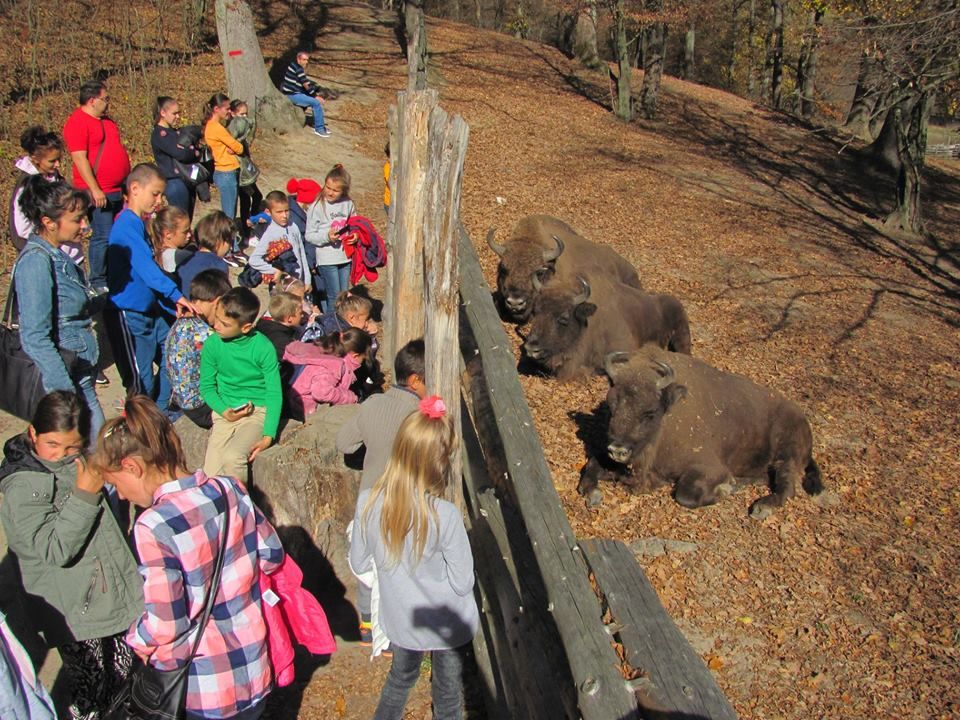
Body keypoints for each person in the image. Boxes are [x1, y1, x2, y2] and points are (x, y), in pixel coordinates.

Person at [92, 395, 284, 720]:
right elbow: (272, 555)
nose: (121, 495)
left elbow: (165, 624)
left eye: (116, 484)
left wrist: (135, 639)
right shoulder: (229, 489)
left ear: (132, 467)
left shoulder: (153, 526)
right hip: (253, 668)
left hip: (205, 687)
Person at [0, 390, 143, 720]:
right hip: (76, 608)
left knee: (122, 676)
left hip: (102, 592)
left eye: (72, 447)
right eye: (52, 444)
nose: (61, 455)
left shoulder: (76, 462)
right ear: (33, 433)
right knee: (91, 691)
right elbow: (54, 548)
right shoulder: (24, 486)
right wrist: (84, 494)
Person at [349, 396, 479, 719]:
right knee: (448, 694)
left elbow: (360, 564)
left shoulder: (368, 503)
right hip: (447, 623)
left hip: (401, 620)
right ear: (440, 463)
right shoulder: (445, 516)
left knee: (400, 679)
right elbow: (463, 582)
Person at [336, 338, 425, 643]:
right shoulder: (422, 417)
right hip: (405, 502)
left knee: (369, 561)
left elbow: (344, 443)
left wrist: (372, 449)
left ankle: (367, 623)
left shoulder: (373, 403)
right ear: (416, 381)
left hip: (369, 497)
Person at [14, 177, 106, 437]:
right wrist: (65, 397)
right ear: (49, 222)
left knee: (100, 448)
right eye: (77, 219)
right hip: (66, 381)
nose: (85, 225)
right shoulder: (35, 262)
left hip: (80, 375)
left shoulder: (58, 255)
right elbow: (35, 336)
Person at [105, 163, 197, 412]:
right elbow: (146, 269)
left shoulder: (138, 224)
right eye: (155, 194)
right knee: (140, 378)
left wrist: (169, 305)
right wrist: (176, 296)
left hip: (150, 311)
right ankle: (141, 421)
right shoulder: (126, 226)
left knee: (173, 356)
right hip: (129, 314)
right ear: (135, 188)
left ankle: (160, 410)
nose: (159, 201)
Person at [199, 287, 282, 482]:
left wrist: (268, 435)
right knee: (210, 475)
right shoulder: (212, 344)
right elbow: (207, 387)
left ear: (245, 327)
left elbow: (273, 392)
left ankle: (240, 500)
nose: (216, 326)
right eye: (216, 318)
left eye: (224, 324)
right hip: (225, 413)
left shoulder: (262, 347)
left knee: (233, 457)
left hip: (256, 412)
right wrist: (224, 411)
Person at [62, 80, 131, 292]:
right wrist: (95, 189)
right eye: (105, 98)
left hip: (117, 188)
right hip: (99, 190)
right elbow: (79, 158)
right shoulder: (77, 122)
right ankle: (98, 281)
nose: (108, 102)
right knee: (103, 234)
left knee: (118, 233)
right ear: (92, 100)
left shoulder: (107, 122)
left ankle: (115, 275)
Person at [165, 269, 232, 429]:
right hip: (203, 407)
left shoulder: (179, 324)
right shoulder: (204, 334)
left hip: (184, 402)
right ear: (217, 302)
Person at [283, 327, 371, 417]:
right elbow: (322, 393)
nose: (361, 363)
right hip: (301, 407)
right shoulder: (333, 366)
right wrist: (351, 397)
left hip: (290, 397)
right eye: (362, 359)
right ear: (355, 356)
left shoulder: (325, 352)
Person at [9, 127, 71, 255]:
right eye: (52, 161)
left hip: (62, 249)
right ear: (35, 159)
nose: (58, 164)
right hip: (39, 250)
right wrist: (49, 238)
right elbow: (22, 228)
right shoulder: (27, 186)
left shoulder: (54, 178)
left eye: (59, 159)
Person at [304, 164, 356, 311]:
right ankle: (331, 322)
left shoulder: (347, 203)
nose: (330, 192)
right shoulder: (317, 206)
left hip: (345, 256)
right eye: (328, 187)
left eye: (335, 190)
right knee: (334, 296)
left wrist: (355, 235)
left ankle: (342, 321)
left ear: (343, 190)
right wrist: (327, 237)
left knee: (344, 295)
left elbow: (355, 223)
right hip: (327, 258)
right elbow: (309, 235)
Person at [203, 93, 245, 261]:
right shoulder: (216, 128)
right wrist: (235, 147)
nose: (229, 111)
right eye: (226, 108)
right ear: (216, 109)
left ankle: (234, 247)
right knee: (228, 216)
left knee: (231, 213)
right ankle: (226, 250)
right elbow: (239, 147)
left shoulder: (215, 126)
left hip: (227, 172)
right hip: (225, 172)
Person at [150, 96, 202, 219]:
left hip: (187, 179)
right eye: (174, 113)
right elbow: (181, 154)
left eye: (179, 113)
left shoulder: (174, 132)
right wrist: (194, 152)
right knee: (180, 221)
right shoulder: (160, 134)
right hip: (175, 183)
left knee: (187, 219)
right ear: (163, 113)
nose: (178, 116)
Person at [248, 191, 311, 285]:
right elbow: (254, 260)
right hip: (282, 285)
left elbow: (301, 253)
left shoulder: (293, 226)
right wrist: (275, 270)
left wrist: (307, 280)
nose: (284, 216)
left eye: (286, 211)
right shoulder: (270, 233)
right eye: (279, 212)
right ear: (269, 212)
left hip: (298, 282)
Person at [227, 100, 263, 243]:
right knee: (247, 199)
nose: (245, 117)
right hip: (239, 173)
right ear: (232, 113)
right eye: (241, 114)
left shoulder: (242, 131)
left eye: (246, 114)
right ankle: (247, 233)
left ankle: (250, 226)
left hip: (245, 171)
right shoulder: (233, 129)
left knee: (256, 197)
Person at [177, 210, 233, 293]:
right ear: (220, 241)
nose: (230, 247)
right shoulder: (219, 265)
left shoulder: (186, 259)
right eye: (230, 241)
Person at [280, 51, 330, 137]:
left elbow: (303, 82)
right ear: (298, 59)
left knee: (312, 97)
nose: (306, 62)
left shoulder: (293, 65)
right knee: (316, 103)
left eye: (307, 60)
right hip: (291, 94)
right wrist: (315, 96)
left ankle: (317, 123)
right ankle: (319, 129)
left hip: (293, 91)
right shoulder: (298, 69)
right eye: (304, 60)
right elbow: (306, 85)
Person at [148, 205, 193, 275]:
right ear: (168, 234)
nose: (189, 235)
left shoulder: (155, 253)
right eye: (185, 232)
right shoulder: (179, 257)